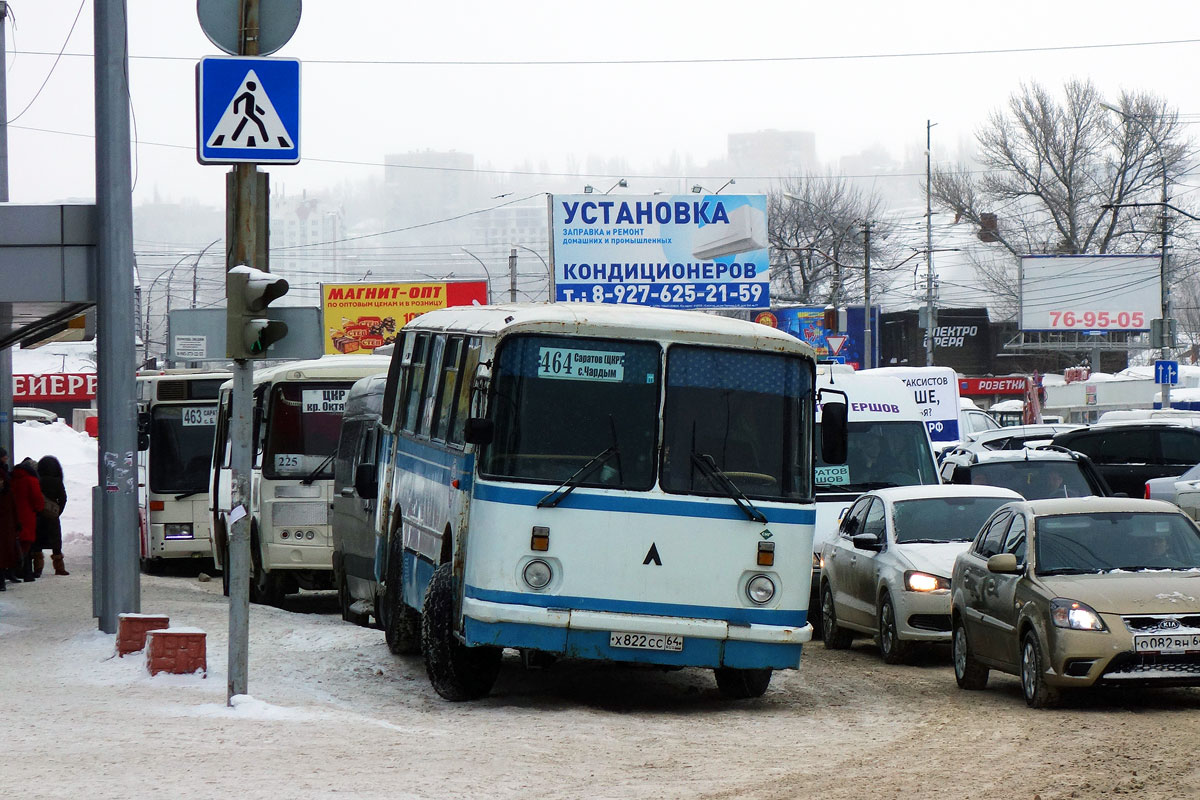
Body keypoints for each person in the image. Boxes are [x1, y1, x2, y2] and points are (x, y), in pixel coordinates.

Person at [10, 456, 44, 582]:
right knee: (27, 545)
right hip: (28, 516)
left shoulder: (11, 478)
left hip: (11, 516)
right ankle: (26, 572)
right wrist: (38, 510)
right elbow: (38, 500)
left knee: (14, 543)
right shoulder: (31, 480)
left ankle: (14, 570)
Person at [35, 455, 68, 576]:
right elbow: (63, 498)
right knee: (56, 542)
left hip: (38, 515)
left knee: (37, 542)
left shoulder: (38, 480)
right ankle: (59, 567)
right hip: (52, 517)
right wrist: (57, 511)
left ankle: (37, 568)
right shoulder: (57, 481)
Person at [0, 449, 19, 590]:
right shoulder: (3, 473)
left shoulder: (5, 472)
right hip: (4, 515)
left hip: (7, 515)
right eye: (5, 456)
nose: (7, 458)